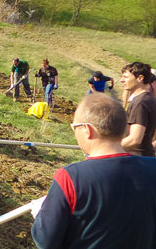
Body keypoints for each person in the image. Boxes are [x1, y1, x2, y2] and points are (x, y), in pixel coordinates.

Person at [30, 93, 156, 248]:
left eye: (74, 127)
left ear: (88, 130)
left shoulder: (70, 178)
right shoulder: (152, 167)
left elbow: (46, 241)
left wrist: (41, 214)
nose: (74, 132)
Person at [120, 62, 156, 157]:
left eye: (126, 77)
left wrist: (111, 147)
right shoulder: (148, 98)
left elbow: (135, 138)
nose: (121, 80)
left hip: (138, 159)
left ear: (140, 78)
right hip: (145, 158)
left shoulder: (141, 102)